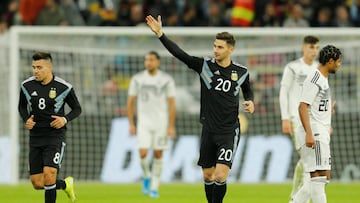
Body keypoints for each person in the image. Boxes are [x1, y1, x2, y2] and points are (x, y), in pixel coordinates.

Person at [145, 15, 255, 203]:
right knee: (207, 176)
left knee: (220, 175)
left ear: (231, 49)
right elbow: (181, 54)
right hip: (209, 130)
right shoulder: (205, 66)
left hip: (229, 130)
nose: (216, 50)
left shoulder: (241, 72)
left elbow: (247, 89)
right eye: (214, 46)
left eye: (220, 47)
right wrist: (161, 35)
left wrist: (250, 101)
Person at [18, 52, 81, 203]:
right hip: (35, 137)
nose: (35, 71)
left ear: (49, 68)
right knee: (38, 183)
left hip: (55, 136)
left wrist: (64, 119)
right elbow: (21, 107)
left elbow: (77, 109)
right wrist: (26, 119)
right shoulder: (26, 86)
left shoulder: (64, 87)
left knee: (49, 174)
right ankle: (66, 184)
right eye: (33, 67)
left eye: (39, 67)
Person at [291, 45, 342, 203]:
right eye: (338, 62)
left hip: (319, 132)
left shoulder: (322, 78)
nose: (339, 65)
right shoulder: (315, 78)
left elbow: (313, 106)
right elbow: (302, 106)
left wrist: (328, 111)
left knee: (320, 178)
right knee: (318, 179)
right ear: (330, 61)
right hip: (315, 134)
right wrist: (309, 133)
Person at [127, 51, 176, 198]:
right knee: (142, 153)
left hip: (161, 123)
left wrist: (171, 126)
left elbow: (172, 104)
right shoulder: (137, 79)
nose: (148, 62)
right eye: (146, 60)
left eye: (151, 60)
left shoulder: (166, 80)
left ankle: (155, 187)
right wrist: (131, 123)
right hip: (144, 123)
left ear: (158, 62)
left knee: (158, 153)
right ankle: (147, 176)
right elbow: (130, 102)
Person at [279, 35, 320, 203]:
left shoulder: (320, 69)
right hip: (297, 119)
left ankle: (295, 196)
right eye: (311, 47)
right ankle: (298, 198)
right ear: (303, 47)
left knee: (307, 160)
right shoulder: (293, 67)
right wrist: (285, 118)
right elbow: (283, 92)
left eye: (317, 48)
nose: (314, 51)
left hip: (315, 121)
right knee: (308, 159)